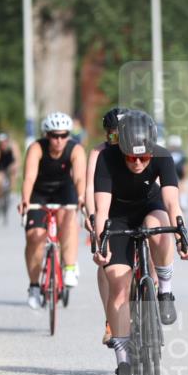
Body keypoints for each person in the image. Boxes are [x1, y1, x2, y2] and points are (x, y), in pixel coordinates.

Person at [93, 110, 188, 375]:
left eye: (144, 158)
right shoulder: (106, 159)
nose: (138, 163)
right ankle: (123, 361)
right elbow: (101, 210)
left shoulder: (162, 156)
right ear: (121, 148)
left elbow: (173, 204)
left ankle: (165, 289)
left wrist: (183, 238)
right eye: (131, 157)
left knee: (161, 229)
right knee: (119, 287)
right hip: (118, 217)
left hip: (150, 208)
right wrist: (99, 243)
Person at [19, 112, 86, 308]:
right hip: (39, 193)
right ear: (47, 135)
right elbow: (29, 177)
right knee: (34, 236)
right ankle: (33, 285)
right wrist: (25, 199)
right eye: (54, 136)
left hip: (64, 192)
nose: (58, 140)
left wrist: (81, 197)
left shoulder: (76, 149)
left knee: (68, 218)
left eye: (63, 135)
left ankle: (70, 267)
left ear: (69, 135)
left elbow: (80, 178)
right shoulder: (36, 148)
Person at [85, 107, 127, 344]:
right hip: (107, 209)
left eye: (122, 135)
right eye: (112, 136)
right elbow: (90, 187)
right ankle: (111, 320)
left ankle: (152, 290)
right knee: (105, 262)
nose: (117, 141)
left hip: (135, 207)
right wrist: (91, 216)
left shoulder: (141, 149)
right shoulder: (99, 153)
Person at [0, 131, 20, 205]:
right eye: (1, 142)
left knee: (13, 171)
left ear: (7, 141)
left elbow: (17, 159)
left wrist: (16, 167)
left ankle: (12, 191)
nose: (3, 144)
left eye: (4, 141)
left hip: (10, 164)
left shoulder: (13, 145)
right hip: (1, 165)